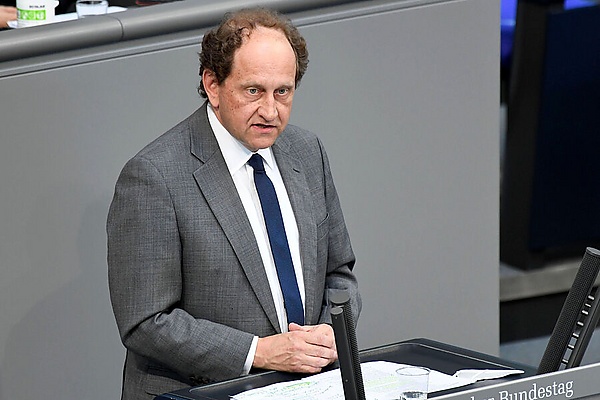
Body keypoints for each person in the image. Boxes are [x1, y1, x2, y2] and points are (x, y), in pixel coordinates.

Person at [107, 7, 361, 400]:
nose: (270, 111)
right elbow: (146, 321)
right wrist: (259, 352)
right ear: (212, 84)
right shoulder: (154, 176)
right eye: (253, 91)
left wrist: (331, 332)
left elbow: (339, 273)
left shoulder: (307, 152)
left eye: (283, 92)